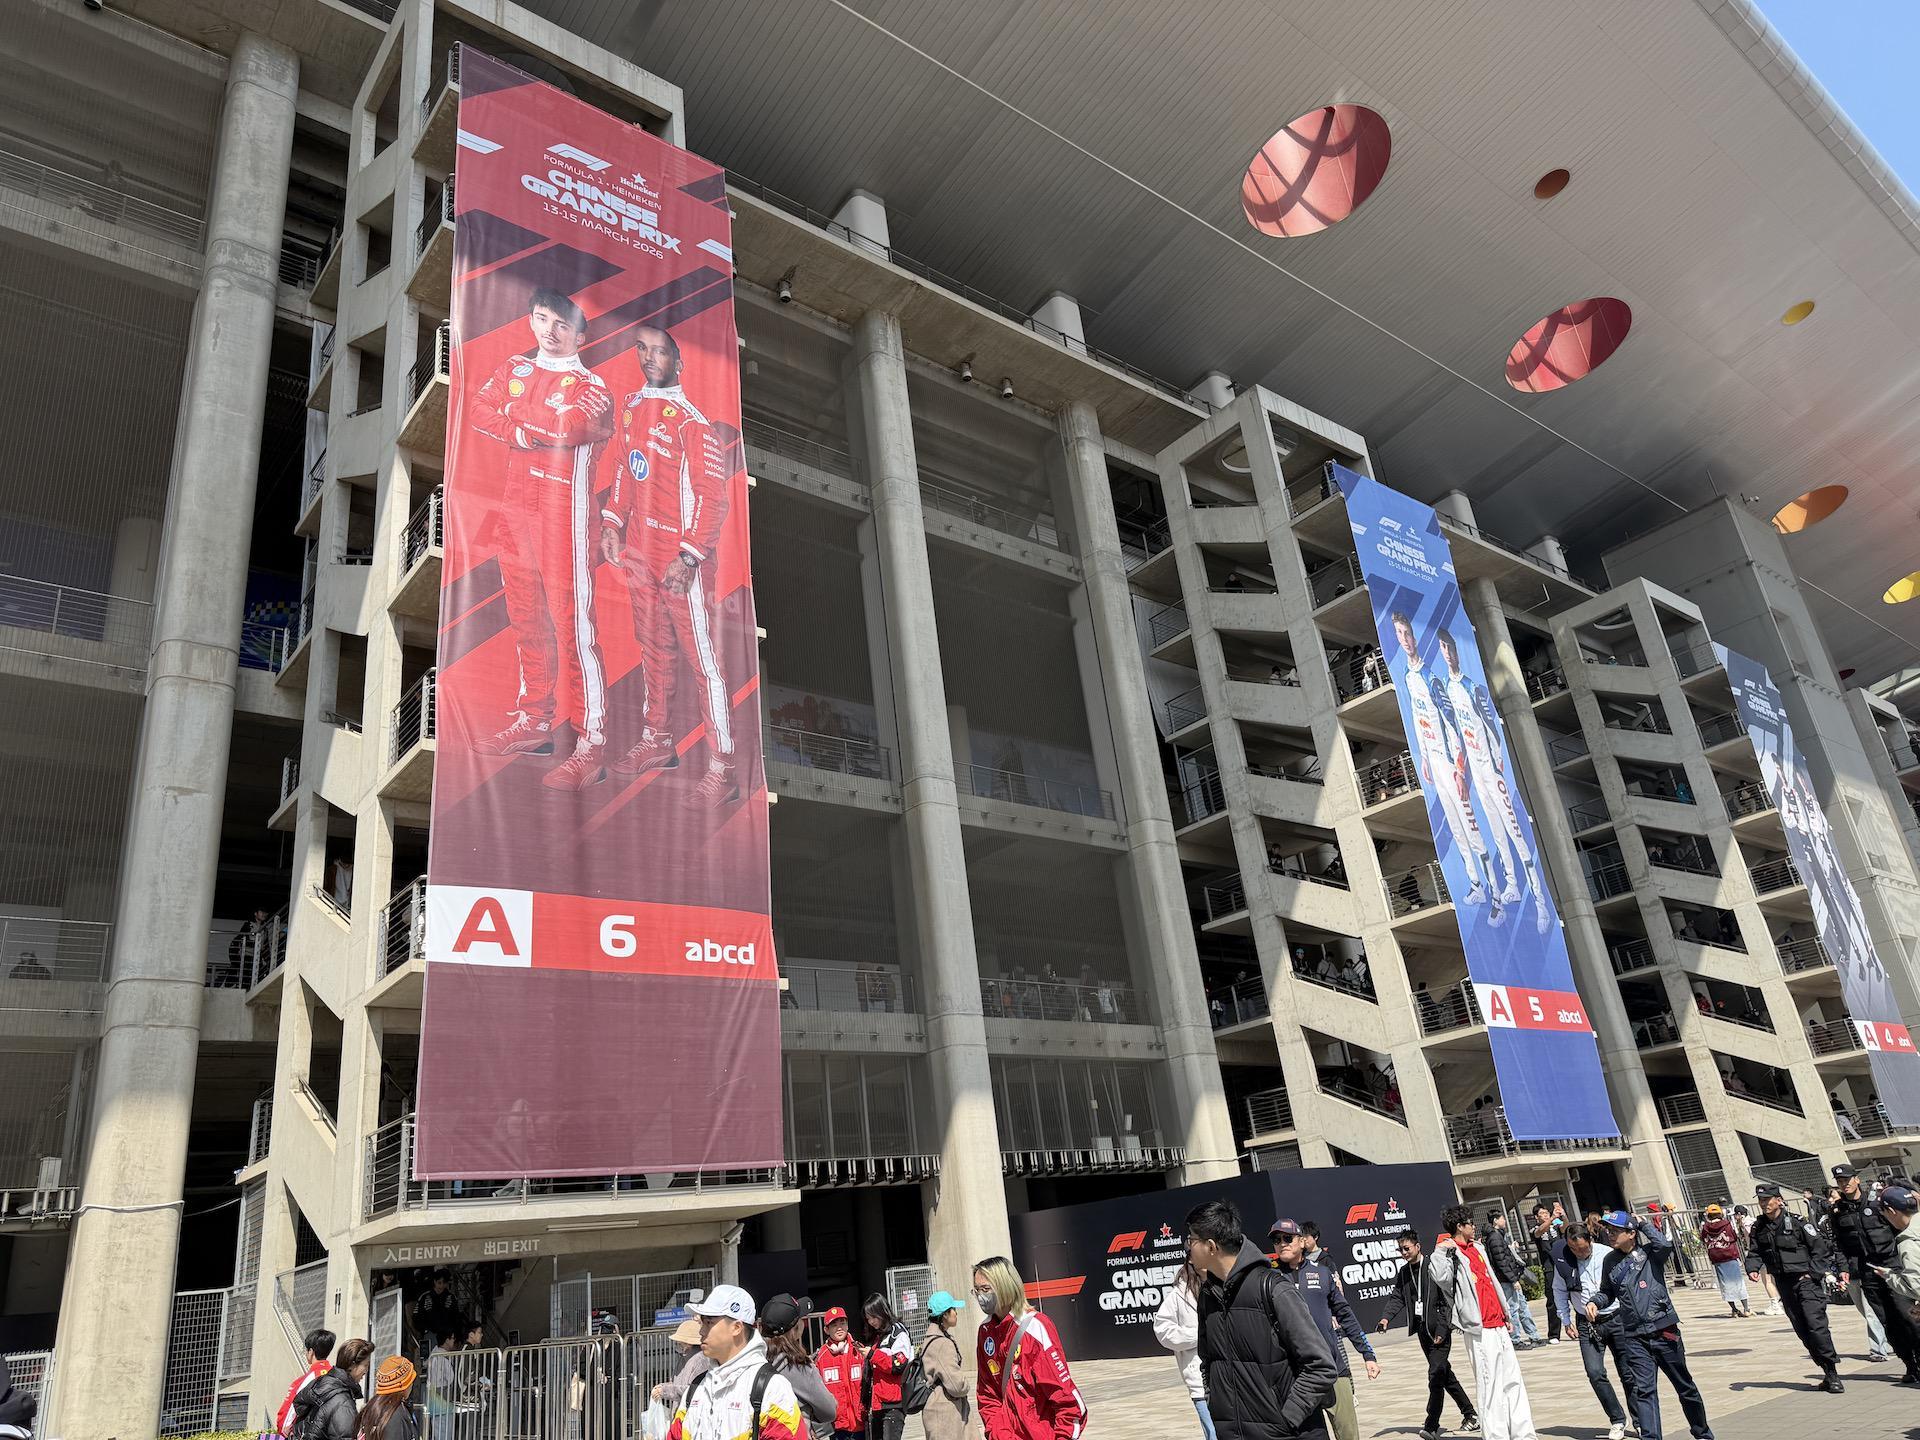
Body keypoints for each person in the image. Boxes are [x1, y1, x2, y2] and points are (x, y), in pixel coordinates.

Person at [469, 286, 617, 788]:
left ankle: (592, 743)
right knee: (525, 618)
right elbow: (479, 409)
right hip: (516, 511)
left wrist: (514, 413)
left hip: (565, 516)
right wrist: (520, 428)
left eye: (561, 324)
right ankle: (534, 722)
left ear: (581, 335)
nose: (550, 331)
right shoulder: (515, 367)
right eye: (541, 318)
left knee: (574, 627)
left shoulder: (593, 387)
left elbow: (568, 428)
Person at [601, 322, 740, 805]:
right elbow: (625, 467)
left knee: (704, 663)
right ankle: (658, 741)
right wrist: (612, 521)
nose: (648, 358)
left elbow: (713, 497)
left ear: (678, 362)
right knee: (653, 649)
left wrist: (689, 556)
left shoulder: (692, 423)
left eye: (659, 352)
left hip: (683, 563)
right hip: (641, 555)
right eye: (641, 349)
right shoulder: (631, 406)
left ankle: (723, 768)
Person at [1184, 1199, 1332, 1440]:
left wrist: (1287, 1419)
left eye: (1191, 1240)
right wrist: (1215, 1405)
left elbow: (1321, 1365)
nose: (1188, 1247)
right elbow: (1208, 1363)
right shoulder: (1207, 1296)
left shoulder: (1273, 1289)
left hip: (1287, 1433)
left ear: (1211, 1246)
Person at [1392, 611, 1504, 920]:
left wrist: (1459, 768)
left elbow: (1453, 725)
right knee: (1456, 829)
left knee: (1472, 829)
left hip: (1450, 764)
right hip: (1435, 764)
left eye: (1407, 633)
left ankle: (1496, 896)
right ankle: (1476, 884)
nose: (1405, 639)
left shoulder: (1432, 679)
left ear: (1415, 637)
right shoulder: (1407, 676)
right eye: (1399, 634)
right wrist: (1424, 758)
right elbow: (1418, 719)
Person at [1436, 628, 1549, 933]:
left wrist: (1498, 767)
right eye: (1443, 649)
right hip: (1476, 772)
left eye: (1450, 648)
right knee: (1497, 833)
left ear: (1456, 651)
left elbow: (1491, 728)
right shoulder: (1448, 688)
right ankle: (1511, 885)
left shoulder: (1473, 688)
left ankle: (1540, 901)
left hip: (1491, 771)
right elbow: (1455, 733)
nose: (1447, 653)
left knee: (1515, 832)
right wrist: (1461, 768)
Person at [1590, 1211, 1714, 1440]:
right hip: (1634, 1336)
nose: (1610, 1235)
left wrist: (1643, 1224)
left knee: (1684, 1387)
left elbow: (1664, 1244)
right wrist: (1595, 1302)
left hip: (1663, 1330)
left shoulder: (1650, 1253)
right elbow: (1607, 1291)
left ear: (1631, 1233)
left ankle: (1702, 1433)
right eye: (1608, 1231)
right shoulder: (1610, 1260)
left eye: (1615, 1231)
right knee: (1644, 1391)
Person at [1431, 1205, 1536, 1440]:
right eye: (1470, 1222)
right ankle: (1497, 1436)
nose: (1473, 1225)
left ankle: (1523, 1433)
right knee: (1490, 1384)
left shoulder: (1478, 1247)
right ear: (1460, 1226)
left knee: (1513, 1380)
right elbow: (1440, 1278)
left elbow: (1491, 1280)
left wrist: (1505, 1313)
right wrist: (1440, 1252)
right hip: (1479, 1328)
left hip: (1498, 1322)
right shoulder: (1449, 1253)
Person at [1273, 1218, 1378, 1440]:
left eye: (1287, 1238)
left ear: (1302, 1241)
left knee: (1349, 1435)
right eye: (1276, 1240)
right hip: (1296, 1376)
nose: (1282, 1243)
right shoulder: (1269, 1278)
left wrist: (1368, 1355)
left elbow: (1345, 1315)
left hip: (1333, 1368)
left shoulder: (1322, 1273)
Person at [1374, 1228, 1475, 1440]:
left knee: (1435, 1376)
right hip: (1423, 1332)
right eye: (1400, 1250)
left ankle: (1431, 1426)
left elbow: (1446, 1301)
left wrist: (1442, 1330)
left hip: (1439, 1331)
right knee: (1444, 1374)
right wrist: (1385, 1318)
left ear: (1418, 1246)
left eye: (1407, 1248)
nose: (1404, 1253)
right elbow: (1397, 1297)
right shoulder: (1404, 1272)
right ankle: (1470, 1415)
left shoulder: (1432, 1266)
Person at [973, 1254, 1088, 1440]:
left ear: (1004, 1286)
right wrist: (998, 1434)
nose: (980, 1296)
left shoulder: (1035, 1327)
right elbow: (988, 1395)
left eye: (985, 1289)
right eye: (976, 1290)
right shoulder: (985, 1332)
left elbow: (1066, 1399)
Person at [665, 1286, 805, 1440]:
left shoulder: (772, 1387)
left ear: (737, 1327)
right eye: (702, 1323)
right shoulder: (696, 1388)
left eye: (709, 1322)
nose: (701, 1331)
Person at [1747, 1182, 1844, 1392]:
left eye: (1767, 1199)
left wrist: (1813, 1273)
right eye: (1761, 1200)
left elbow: (1820, 1249)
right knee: (1802, 1329)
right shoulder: (1759, 1227)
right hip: (1784, 1283)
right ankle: (1824, 1369)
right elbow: (1755, 1251)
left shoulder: (1798, 1222)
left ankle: (1832, 1372)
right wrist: (1752, 1268)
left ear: (1779, 1200)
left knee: (1816, 1326)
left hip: (1806, 1282)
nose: (1764, 1204)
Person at [1827, 1161, 1913, 1369]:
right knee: (1886, 1319)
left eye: (1847, 1179)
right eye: (1840, 1181)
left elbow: (1899, 1229)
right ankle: (1909, 1364)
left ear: (1856, 1180)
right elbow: (1838, 1243)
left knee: (1907, 1314)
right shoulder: (1838, 1211)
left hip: (1891, 1265)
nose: (1844, 1184)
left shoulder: (1878, 1203)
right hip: (1866, 1270)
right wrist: (1843, 1268)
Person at [1549, 1224, 1631, 1440]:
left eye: (1583, 1248)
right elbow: (1558, 1289)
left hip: (1616, 1317)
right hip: (1586, 1323)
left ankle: (1641, 1420)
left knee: (1628, 1373)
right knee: (1594, 1372)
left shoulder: (1608, 1254)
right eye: (1574, 1249)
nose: (1579, 1253)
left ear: (1590, 1240)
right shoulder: (1564, 1260)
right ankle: (1617, 1419)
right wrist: (1565, 1319)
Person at [760, 1292, 838, 1432]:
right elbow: (829, 1411)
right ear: (794, 1329)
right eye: (801, 1319)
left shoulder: (753, 1361)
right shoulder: (799, 1366)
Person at [1155, 1260, 1213, 1440]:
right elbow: (1163, 1330)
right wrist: (1198, 1335)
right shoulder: (1179, 1294)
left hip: (1232, 1378)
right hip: (1200, 1382)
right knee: (1214, 1434)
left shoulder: (1225, 1285)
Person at [1873, 1183, 1920, 1384]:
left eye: (1884, 1214)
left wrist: (1890, 1277)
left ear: (1892, 1211)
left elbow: (1916, 1286)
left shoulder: (1908, 1243)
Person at [291, 1337, 374, 1440]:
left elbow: (299, 1404)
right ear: (353, 1365)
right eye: (365, 1365)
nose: (366, 1370)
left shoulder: (321, 1383)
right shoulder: (343, 1403)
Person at [1481, 1210, 1541, 1348]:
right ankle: (1515, 1339)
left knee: (1522, 1306)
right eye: (1502, 1218)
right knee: (1513, 1308)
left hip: (1510, 1278)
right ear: (1495, 1220)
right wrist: (1513, 1280)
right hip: (1506, 1280)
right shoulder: (1495, 1238)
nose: (1505, 1221)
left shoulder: (1499, 1236)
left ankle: (1534, 1336)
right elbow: (1501, 1262)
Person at [920, 1291, 974, 1440]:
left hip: (936, 1410)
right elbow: (956, 1386)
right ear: (944, 1314)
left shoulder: (930, 1339)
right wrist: (966, 1385)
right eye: (953, 1309)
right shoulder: (943, 1343)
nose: (956, 1313)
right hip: (947, 1414)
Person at [862, 1293, 913, 1440]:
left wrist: (872, 1355)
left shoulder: (897, 1333)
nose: (871, 1321)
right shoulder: (878, 1335)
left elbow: (899, 1364)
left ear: (882, 1311)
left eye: (873, 1317)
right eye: (868, 1318)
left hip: (894, 1403)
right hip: (878, 1403)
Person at [814, 1306, 867, 1440]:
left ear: (847, 1326)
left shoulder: (859, 1350)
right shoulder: (821, 1357)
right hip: (837, 1427)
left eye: (842, 1323)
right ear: (826, 1330)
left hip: (861, 1422)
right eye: (834, 1325)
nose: (839, 1328)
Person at [278, 1326, 337, 1435]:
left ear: (311, 1351)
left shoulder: (305, 1381)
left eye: (306, 1350)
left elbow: (286, 1417)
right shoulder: (338, 1376)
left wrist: (283, 1431)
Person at [1697, 1205, 1751, 1317]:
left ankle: (1734, 1309)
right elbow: (1734, 1237)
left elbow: (1702, 1238)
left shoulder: (1705, 1227)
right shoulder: (1726, 1224)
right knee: (1738, 1283)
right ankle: (1746, 1309)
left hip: (1717, 1258)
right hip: (1730, 1256)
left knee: (1725, 1285)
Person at [1525, 1206, 1564, 1345]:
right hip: (1549, 1267)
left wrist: (1563, 1215)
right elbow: (1538, 1232)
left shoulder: (1556, 1225)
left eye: (1547, 1212)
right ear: (1537, 1217)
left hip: (1563, 1264)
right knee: (1552, 1300)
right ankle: (1554, 1333)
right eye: (1542, 1213)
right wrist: (1552, 1218)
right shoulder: (1534, 1229)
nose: (1546, 1215)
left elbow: (1565, 1228)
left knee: (1575, 1294)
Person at [357, 1355, 419, 1439]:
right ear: (405, 1384)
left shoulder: (372, 1407)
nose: (412, 1385)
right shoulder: (395, 1415)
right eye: (411, 1381)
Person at [654, 1316, 711, 1407]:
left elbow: (693, 1390)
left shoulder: (700, 1360)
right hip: (680, 1411)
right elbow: (674, 1383)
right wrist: (661, 1387)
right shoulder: (683, 1357)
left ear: (688, 1344)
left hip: (692, 1410)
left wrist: (665, 1390)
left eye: (679, 1343)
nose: (678, 1345)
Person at [412, 1269, 461, 1357]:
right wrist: (424, 1330)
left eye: (444, 1283)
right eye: (439, 1282)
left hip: (446, 1337)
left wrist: (455, 1336)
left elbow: (456, 1318)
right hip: (428, 1335)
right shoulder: (424, 1297)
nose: (441, 1286)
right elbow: (416, 1317)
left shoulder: (451, 1297)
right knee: (426, 1360)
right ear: (434, 1281)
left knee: (446, 1361)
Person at [425, 1328, 460, 1440]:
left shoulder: (436, 1355)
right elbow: (445, 1379)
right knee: (443, 1433)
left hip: (439, 1402)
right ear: (447, 1340)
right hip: (442, 1402)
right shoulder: (440, 1357)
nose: (454, 1341)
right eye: (452, 1338)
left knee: (442, 1432)